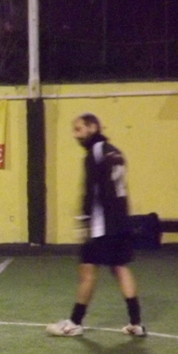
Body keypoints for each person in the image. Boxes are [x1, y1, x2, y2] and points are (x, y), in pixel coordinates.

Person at [46, 113, 146, 337]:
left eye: (79, 129)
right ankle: (136, 323)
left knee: (87, 271)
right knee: (120, 267)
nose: (76, 135)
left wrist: (84, 219)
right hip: (121, 221)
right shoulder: (115, 152)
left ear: (92, 127)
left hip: (102, 225)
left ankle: (74, 323)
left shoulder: (95, 152)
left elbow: (91, 189)